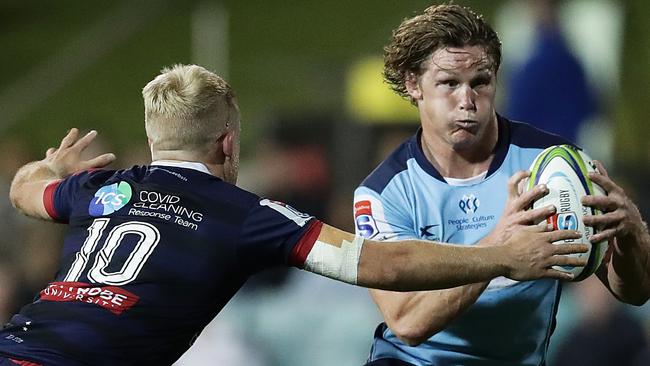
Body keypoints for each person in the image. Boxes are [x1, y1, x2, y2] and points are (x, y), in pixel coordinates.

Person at [0, 64, 585, 366]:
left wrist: (55, 168)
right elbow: (378, 262)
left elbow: (25, 189)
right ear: (228, 143)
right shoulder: (244, 214)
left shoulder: (99, 190)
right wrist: (503, 253)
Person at [354, 4, 650, 366]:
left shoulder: (553, 165)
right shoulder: (383, 194)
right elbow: (407, 321)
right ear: (413, 84)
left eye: (480, 82)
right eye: (449, 83)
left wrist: (632, 236)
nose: (467, 101)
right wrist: (500, 249)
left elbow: (632, 292)